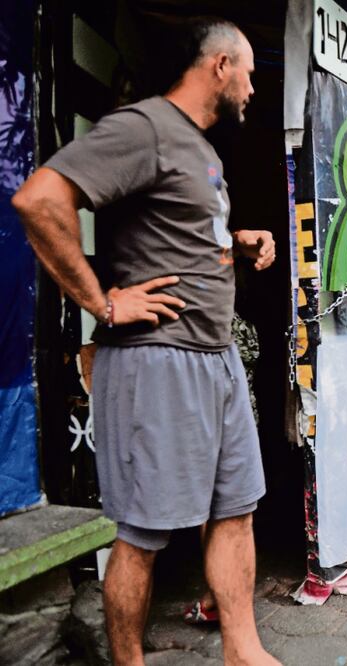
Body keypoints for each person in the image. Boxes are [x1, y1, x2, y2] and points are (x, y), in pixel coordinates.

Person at [12, 18, 279, 666]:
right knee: (143, 534)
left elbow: (179, 232)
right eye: (247, 72)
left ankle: (243, 651)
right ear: (220, 65)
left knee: (236, 510)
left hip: (216, 358)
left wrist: (234, 244)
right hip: (157, 361)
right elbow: (39, 201)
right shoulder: (142, 128)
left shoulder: (201, 150)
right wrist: (103, 301)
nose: (251, 88)